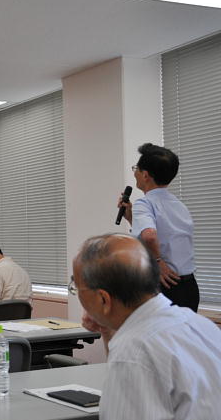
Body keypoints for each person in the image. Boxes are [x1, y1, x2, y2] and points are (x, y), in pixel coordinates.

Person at [72, 233, 221, 419]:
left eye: (77, 288)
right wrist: (107, 329)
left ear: (104, 299)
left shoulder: (134, 354)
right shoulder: (200, 325)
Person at [118, 143, 198, 311]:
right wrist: (131, 218)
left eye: (136, 169)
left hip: (164, 286)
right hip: (189, 287)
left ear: (145, 175)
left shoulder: (144, 203)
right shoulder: (179, 205)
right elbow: (162, 234)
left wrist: (158, 263)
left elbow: (149, 236)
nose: (134, 173)